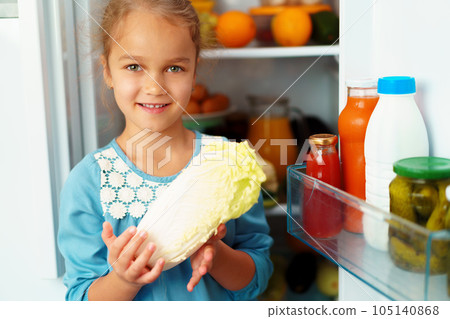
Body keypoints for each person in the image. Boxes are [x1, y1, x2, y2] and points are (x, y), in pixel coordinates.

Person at [57, 0, 273, 301]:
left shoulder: (229, 165)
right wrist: (123, 280)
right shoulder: (89, 181)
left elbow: (256, 277)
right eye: (134, 66)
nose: (155, 86)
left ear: (194, 72)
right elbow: (80, 299)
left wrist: (217, 255)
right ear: (107, 71)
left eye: (174, 67)